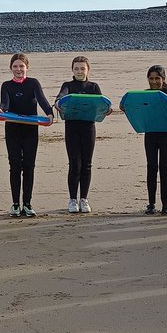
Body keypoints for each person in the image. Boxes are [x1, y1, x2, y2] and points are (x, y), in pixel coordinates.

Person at [0, 53, 53, 217]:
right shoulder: (6, 85)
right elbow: (5, 104)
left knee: (29, 166)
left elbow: (42, 100)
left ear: (27, 67)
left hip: (30, 129)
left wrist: (49, 114)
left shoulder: (33, 83)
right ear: (11, 68)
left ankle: (27, 203)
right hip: (13, 129)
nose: (18, 69)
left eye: (21, 66)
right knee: (14, 166)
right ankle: (15, 204)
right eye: (15, 66)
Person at [55, 55, 111, 214]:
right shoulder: (68, 85)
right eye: (76, 68)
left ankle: (84, 199)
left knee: (87, 163)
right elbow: (60, 97)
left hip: (88, 128)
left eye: (82, 68)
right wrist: (58, 103)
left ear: (88, 70)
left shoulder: (93, 87)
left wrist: (107, 110)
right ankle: (73, 199)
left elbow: (102, 104)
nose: (79, 71)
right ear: (72, 70)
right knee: (74, 164)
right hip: (72, 128)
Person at [143, 65, 167, 215]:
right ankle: (151, 204)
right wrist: (125, 106)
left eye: (157, 78)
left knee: (165, 168)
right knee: (151, 167)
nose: (154, 81)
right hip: (150, 133)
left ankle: (166, 205)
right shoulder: (145, 94)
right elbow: (137, 107)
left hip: (166, 134)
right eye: (151, 78)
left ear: (163, 79)